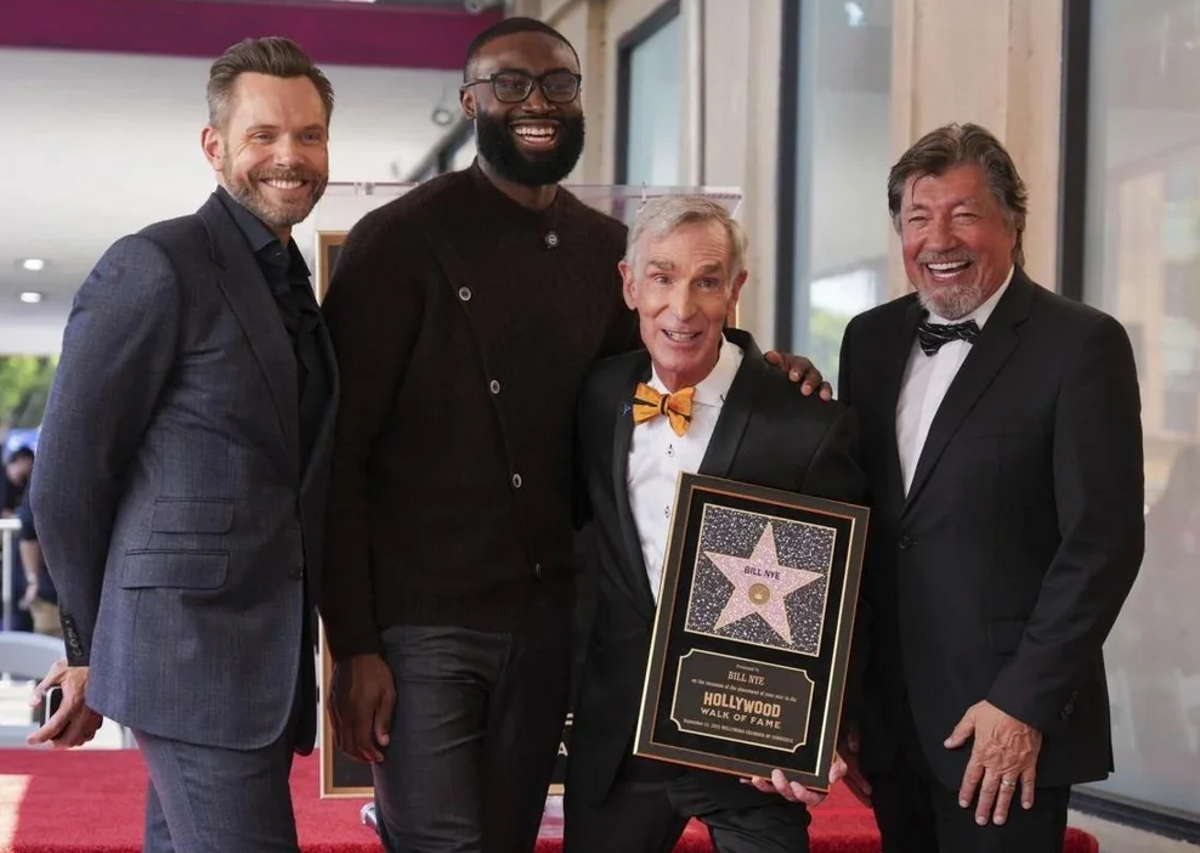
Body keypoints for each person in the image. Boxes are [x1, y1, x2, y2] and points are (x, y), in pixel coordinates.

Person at [319, 16, 827, 853]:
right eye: (510, 84)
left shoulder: (603, 250)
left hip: (549, 624)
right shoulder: (397, 243)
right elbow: (339, 463)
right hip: (423, 628)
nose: (537, 102)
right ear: (469, 103)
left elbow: (670, 358)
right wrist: (353, 646)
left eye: (559, 84)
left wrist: (772, 373)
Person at [27, 36, 338, 853]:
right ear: (215, 145)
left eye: (309, 135)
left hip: (259, 664)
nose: (290, 155)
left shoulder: (292, 279)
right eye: (263, 134)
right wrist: (88, 648)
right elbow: (66, 479)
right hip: (190, 660)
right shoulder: (155, 264)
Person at [837, 122, 1144, 852]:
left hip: (1005, 727)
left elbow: (1101, 545)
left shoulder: (1081, 344)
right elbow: (864, 518)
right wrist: (845, 698)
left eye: (964, 214)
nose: (939, 239)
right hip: (890, 725)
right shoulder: (868, 340)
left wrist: (1022, 703)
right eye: (918, 218)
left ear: (1012, 222)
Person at [565, 196, 865, 853]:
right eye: (662, 277)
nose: (682, 308)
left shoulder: (808, 423)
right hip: (617, 743)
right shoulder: (597, 395)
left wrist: (821, 725)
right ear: (630, 284)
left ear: (735, 290)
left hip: (751, 747)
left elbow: (849, 593)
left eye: (706, 281)